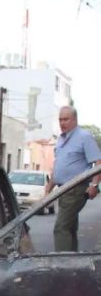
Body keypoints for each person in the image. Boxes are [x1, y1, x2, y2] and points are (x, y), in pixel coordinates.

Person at [44, 106, 101, 252]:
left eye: (66, 119)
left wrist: (94, 185)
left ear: (75, 120)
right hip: (62, 189)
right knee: (69, 228)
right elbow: (59, 165)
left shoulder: (84, 137)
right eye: (60, 120)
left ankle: (62, 264)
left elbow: (98, 162)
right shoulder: (61, 140)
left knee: (61, 228)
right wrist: (49, 188)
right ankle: (72, 261)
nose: (62, 123)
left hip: (76, 188)